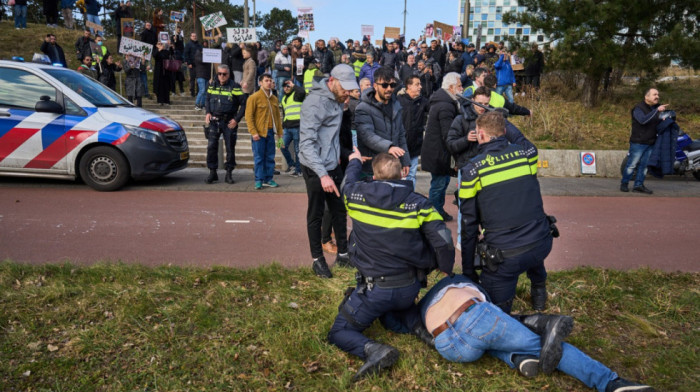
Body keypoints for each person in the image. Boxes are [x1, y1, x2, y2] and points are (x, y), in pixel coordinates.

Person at [327, 150, 455, 381]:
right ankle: (422, 330)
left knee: (339, 332)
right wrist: (446, 267)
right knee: (392, 318)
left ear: (374, 177)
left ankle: (374, 350)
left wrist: (355, 161)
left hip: (374, 291)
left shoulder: (355, 197)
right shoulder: (419, 204)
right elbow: (443, 240)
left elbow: (348, 182)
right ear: (403, 173)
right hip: (409, 288)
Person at [412, 274, 656, 392]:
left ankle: (517, 359)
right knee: (539, 344)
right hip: (474, 316)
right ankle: (611, 383)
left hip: (449, 345)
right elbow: (493, 310)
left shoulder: (423, 306)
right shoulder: (461, 281)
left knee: (487, 341)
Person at [458, 111, 552, 314]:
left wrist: (468, 271)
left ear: (480, 134)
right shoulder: (526, 155)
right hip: (542, 243)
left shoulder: (473, 170)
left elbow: (469, 226)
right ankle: (539, 292)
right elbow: (520, 138)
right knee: (528, 233)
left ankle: (531, 323)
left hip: (505, 257)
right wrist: (502, 119)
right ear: (504, 131)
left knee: (497, 314)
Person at [298, 64, 358, 278]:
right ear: (332, 81)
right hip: (314, 167)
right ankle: (317, 260)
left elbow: (331, 137)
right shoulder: (314, 104)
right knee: (315, 213)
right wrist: (322, 174)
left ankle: (343, 254)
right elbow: (306, 144)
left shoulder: (337, 100)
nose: (348, 93)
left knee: (339, 209)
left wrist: (347, 153)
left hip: (333, 163)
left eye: (351, 89)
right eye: (345, 89)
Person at [420, 72, 463, 222]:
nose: (462, 89)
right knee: (439, 185)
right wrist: (456, 155)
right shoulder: (446, 105)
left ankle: (437, 210)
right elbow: (448, 134)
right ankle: (434, 213)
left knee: (441, 183)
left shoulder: (444, 101)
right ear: (451, 88)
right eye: (459, 86)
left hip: (438, 151)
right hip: (439, 153)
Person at [355, 66, 410, 177]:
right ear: (375, 86)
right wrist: (389, 147)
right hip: (372, 170)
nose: (389, 89)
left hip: (391, 168)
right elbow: (367, 136)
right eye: (384, 85)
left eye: (392, 85)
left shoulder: (396, 106)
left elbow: (401, 136)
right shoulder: (363, 108)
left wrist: (405, 160)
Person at [204, 65, 247, 184]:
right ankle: (213, 172)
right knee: (211, 147)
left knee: (230, 148)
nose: (221, 76)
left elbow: (244, 104)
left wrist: (236, 119)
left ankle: (229, 173)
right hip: (214, 121)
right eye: (219, 74)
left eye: (224, 74)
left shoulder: (234, 86)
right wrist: (207, 112)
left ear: (229, 74)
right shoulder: (212, 85)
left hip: (229, 122)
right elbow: (207, 99)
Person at [620, 88, 667, 194]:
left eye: (658, 94)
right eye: (654, 94)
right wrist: (657, 111)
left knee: (645, 166)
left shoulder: (655, 108)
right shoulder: (638, 108)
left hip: (651, 142)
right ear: (647, 97)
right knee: (632, 164)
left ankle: (638, 185)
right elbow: (643, 120)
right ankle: (624, 183)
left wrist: (663, 118)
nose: (657, 97)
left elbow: (656, 121)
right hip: (638, 142)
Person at [245, 73, 283, 190]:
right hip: (259, 132)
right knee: (259, 157)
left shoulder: (274, 99)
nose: (269, 82)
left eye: (270, 80)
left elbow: (277, 117)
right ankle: (258, 180)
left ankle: (268, 178)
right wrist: (253, 132)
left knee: (270, 157)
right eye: (266, 80)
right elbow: (249, 116)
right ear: (260, 83)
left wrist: (280, 135)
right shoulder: (254, 97)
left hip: (271, 132)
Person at [397, 75, 429, 189]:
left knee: (411, 175)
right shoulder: (399, 100)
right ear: (409, 86)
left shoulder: (423, 101)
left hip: (415, 145)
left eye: (420, 84)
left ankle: (411, 199)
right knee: (398, 175)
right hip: (400, 146)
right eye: (417, 84)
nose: (420, 87)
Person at [280, 80, 305, 177]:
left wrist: (293, 85)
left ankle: (298, 171)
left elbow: (302, 92)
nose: (286, 88)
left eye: (288, 86)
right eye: (284, 86)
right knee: (282, 146)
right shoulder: (283, 99)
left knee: (297, 149)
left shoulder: (297, 95)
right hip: (287, 128)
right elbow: (285, 113)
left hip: (297, 127)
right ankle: (292, 165)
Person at [153, 42, 172, 106]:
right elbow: (155, 55)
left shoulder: (166, 51)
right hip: (159, 71)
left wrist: (170, 46)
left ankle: (166, 100)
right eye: (159, 44)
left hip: (166, 71)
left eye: (161, 44)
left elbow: (168, 55)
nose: (161, 45)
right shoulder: (156, 51)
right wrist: (159, 50)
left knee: (166, 86)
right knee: (159, 86)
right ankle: (160, 100)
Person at [193, 42, 211, 111]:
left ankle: (202, 104)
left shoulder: (206, 56)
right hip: (200, 75)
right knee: (202, 90)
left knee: (205, 91)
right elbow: (201, 61)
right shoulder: (198, 55)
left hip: (206, 75)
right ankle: (197, 104)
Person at [184, 33, 201, 98]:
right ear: (191, 37)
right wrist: (188, 63)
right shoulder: (188, 44)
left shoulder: (199, 45)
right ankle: (192, 92)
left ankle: (198, 92)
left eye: (195, 36)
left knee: (199, 79)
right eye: (193, 36)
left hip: (199, 65)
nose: (194, 37)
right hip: (192, 64)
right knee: (192, 79)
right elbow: (186, 54)